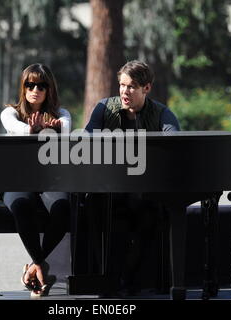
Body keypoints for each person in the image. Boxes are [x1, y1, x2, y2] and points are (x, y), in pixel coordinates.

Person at [85, 60, 180, 295]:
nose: (124, 92)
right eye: (122, 85)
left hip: (144, 191)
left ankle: (130, 279)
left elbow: (175, 142)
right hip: (108, 188)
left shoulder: (161, 113)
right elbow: (85, 141)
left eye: (131, 87)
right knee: (96, 208)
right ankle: (106, 279)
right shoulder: (104, 108)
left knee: (150, 214)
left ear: (146, 88)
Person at [0, 63, 71, 297]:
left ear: (49, 89)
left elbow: (67, 129)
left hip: (50, 181)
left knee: (63, 209)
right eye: (30, 84)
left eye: (42, 85)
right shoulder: (9, 112)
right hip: (19, 180)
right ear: (23, 87)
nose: (35, 89)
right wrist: (35, 131)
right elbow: (15, 127)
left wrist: (53, 131)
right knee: (21, 206)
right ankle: (41, 264)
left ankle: (32, 267)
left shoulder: (61, 115)